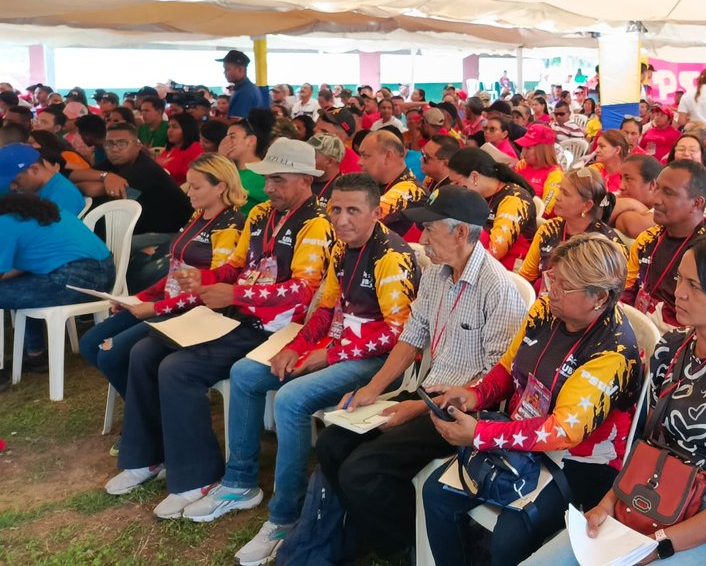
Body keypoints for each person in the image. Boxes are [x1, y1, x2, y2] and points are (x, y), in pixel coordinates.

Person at [181, 174, 417, 564]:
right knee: (246, 372)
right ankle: (240, 481)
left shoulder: (390, 256)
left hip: (375, 361)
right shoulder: (342, 249)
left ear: (376, 213)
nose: (341, 220)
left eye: (353, 211)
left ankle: (285, 516)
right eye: (335, 209)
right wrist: (298, 347)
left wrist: (331, 354)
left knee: (290, 400)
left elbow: (399, 334)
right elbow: (324, 307)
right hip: (340, 347)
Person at [528, 233, 706, 566]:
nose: (678, 292)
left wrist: (660, 544)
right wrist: (609, 503)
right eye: (679, 278)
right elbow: (648, 444)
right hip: (652, 499)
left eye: (694, 286)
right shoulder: (672, 348)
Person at [103, 139, 334, 519]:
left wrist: (236, 292)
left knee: (178, 369)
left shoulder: (317, 223)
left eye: (278, 179)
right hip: (237, 314)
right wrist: (206, 278)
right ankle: (149, 456)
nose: (269, 187)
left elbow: (304, 289)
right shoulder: (261, 213)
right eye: (267, 179)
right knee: (145, 351)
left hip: (276, 328)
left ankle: (199, 476)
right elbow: (237, 265)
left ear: (306, 180)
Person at [305, 187, 527, 559]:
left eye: (430, 230)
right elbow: (413, 335)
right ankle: (366, 529)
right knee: (332, 441)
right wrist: (372, 390)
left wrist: (417, 409)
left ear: (460, 233)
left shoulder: (498, 288)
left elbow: (494, 379)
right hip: (425, 393)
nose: (421, 240)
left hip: (460, 409)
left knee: (362, 471)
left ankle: (408, 542)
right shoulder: (439, 274)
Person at [424, 233, 642, 565]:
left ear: (598, 297)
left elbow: (563, 432)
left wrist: (480, 434)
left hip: (576, 462)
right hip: (520, 436)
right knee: (436, 493)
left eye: (563, 286)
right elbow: (511, 367)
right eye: (552, 278)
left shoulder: (613, 352)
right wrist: (474, 395)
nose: (549, 289)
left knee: (510, 536)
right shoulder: (545, 309)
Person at [80, 154, 246, 401]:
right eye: (189, 184)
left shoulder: (230, 227)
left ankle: (147, 414)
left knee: (111, 352)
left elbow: (209, 290)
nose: (188, 192)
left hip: (193, 313)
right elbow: (175, 273)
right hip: (169, 306)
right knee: (91, 342)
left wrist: (154, 307)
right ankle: (146, 408)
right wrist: (137, 298)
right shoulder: (198, 216)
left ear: (220, 186)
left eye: (196, 186)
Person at [0, 194, 115, 375]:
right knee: (22, 283)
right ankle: (35, 354)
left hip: (76, 280)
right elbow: (23, 266)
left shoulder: (5, 224)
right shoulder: (33, 211)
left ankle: (35, 353)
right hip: (103, 274)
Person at [624, 159, 706, 329]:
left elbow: (702, 326)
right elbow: (627, 294)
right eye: (657, 188)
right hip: (637, 332)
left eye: (668, 193)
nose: (656, 199)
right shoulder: (647, 239)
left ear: (697, 203)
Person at [72, 122, 193, 245]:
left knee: (107, 244)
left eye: (122, 143)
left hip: (175, 235)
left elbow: (93, 190)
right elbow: (73, 175)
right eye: (109, 143)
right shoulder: (113, 163)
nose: (114, 148)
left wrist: (77, 184)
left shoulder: (145, 169)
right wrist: (106, 176)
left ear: (138, 145)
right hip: (143, 226)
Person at [519, 168, 620, 286]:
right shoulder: (549, 229)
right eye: (560, 189)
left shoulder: (607, 246)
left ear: (587, 206)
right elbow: (525, 277)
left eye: (565, 194)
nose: (557, 197)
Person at [447, 147, 538, 268]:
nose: (455, 189)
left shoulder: (515, 199)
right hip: (477, 263)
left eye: (457, 183)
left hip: (510, 271)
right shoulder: (479, 195)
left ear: (474, 177)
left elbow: (494, 251)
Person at [357, 130, 426, 237]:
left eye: (365, 156)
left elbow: (359, 219)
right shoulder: (376, 183)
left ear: (388, 156)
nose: (359, 162)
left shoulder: (412, 190)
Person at [0, 142, 85, 216]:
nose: (12, 187)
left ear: (34, 169)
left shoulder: (63, 196)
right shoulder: (40, 188)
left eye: (16, 180)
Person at [218, 111, 272, 215]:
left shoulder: (260, 176)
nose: (225, 142)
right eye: (226, 137)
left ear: (251, 140)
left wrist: (220, 160)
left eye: (232, 137)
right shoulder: (234, 171)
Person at [609, 153, 662, 240]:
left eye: (628, 179)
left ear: (652, 185)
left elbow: (632, 227)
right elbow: (595, 212)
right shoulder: (619, 195)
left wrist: (621, 211)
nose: (621, 186)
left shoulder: (664, 211)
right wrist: (633, 204)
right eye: (621, 178)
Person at [514, 122, 564, 213]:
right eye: (523, 147)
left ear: (542, 150)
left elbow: (544, 211)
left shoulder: (555, 174)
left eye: (528, 148)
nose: (523, 152)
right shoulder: (521, 165)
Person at [155, 112, 202, 184]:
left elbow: (191, 178)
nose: (169, 130)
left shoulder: (196, 148)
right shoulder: (171, 148)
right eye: (168, 127)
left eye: (174, 127)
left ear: (187, 129)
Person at [218, 50, 262, 120]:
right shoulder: (246, 88)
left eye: (227, 69)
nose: (224, 72)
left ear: (240, 70)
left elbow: (237, 123)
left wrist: (208, 119)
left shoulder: (245, 92)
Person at [307, 132, 344, 209]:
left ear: (330, 162)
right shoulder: (301, 179)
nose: (306, 159)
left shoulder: (345, 189)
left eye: (312, 155)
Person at [590, 129, 629, 194]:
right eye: (597, 146)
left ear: (617, 150)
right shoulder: (593, 171)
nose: (596, 150)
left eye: (602, 146)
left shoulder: (628, 177)